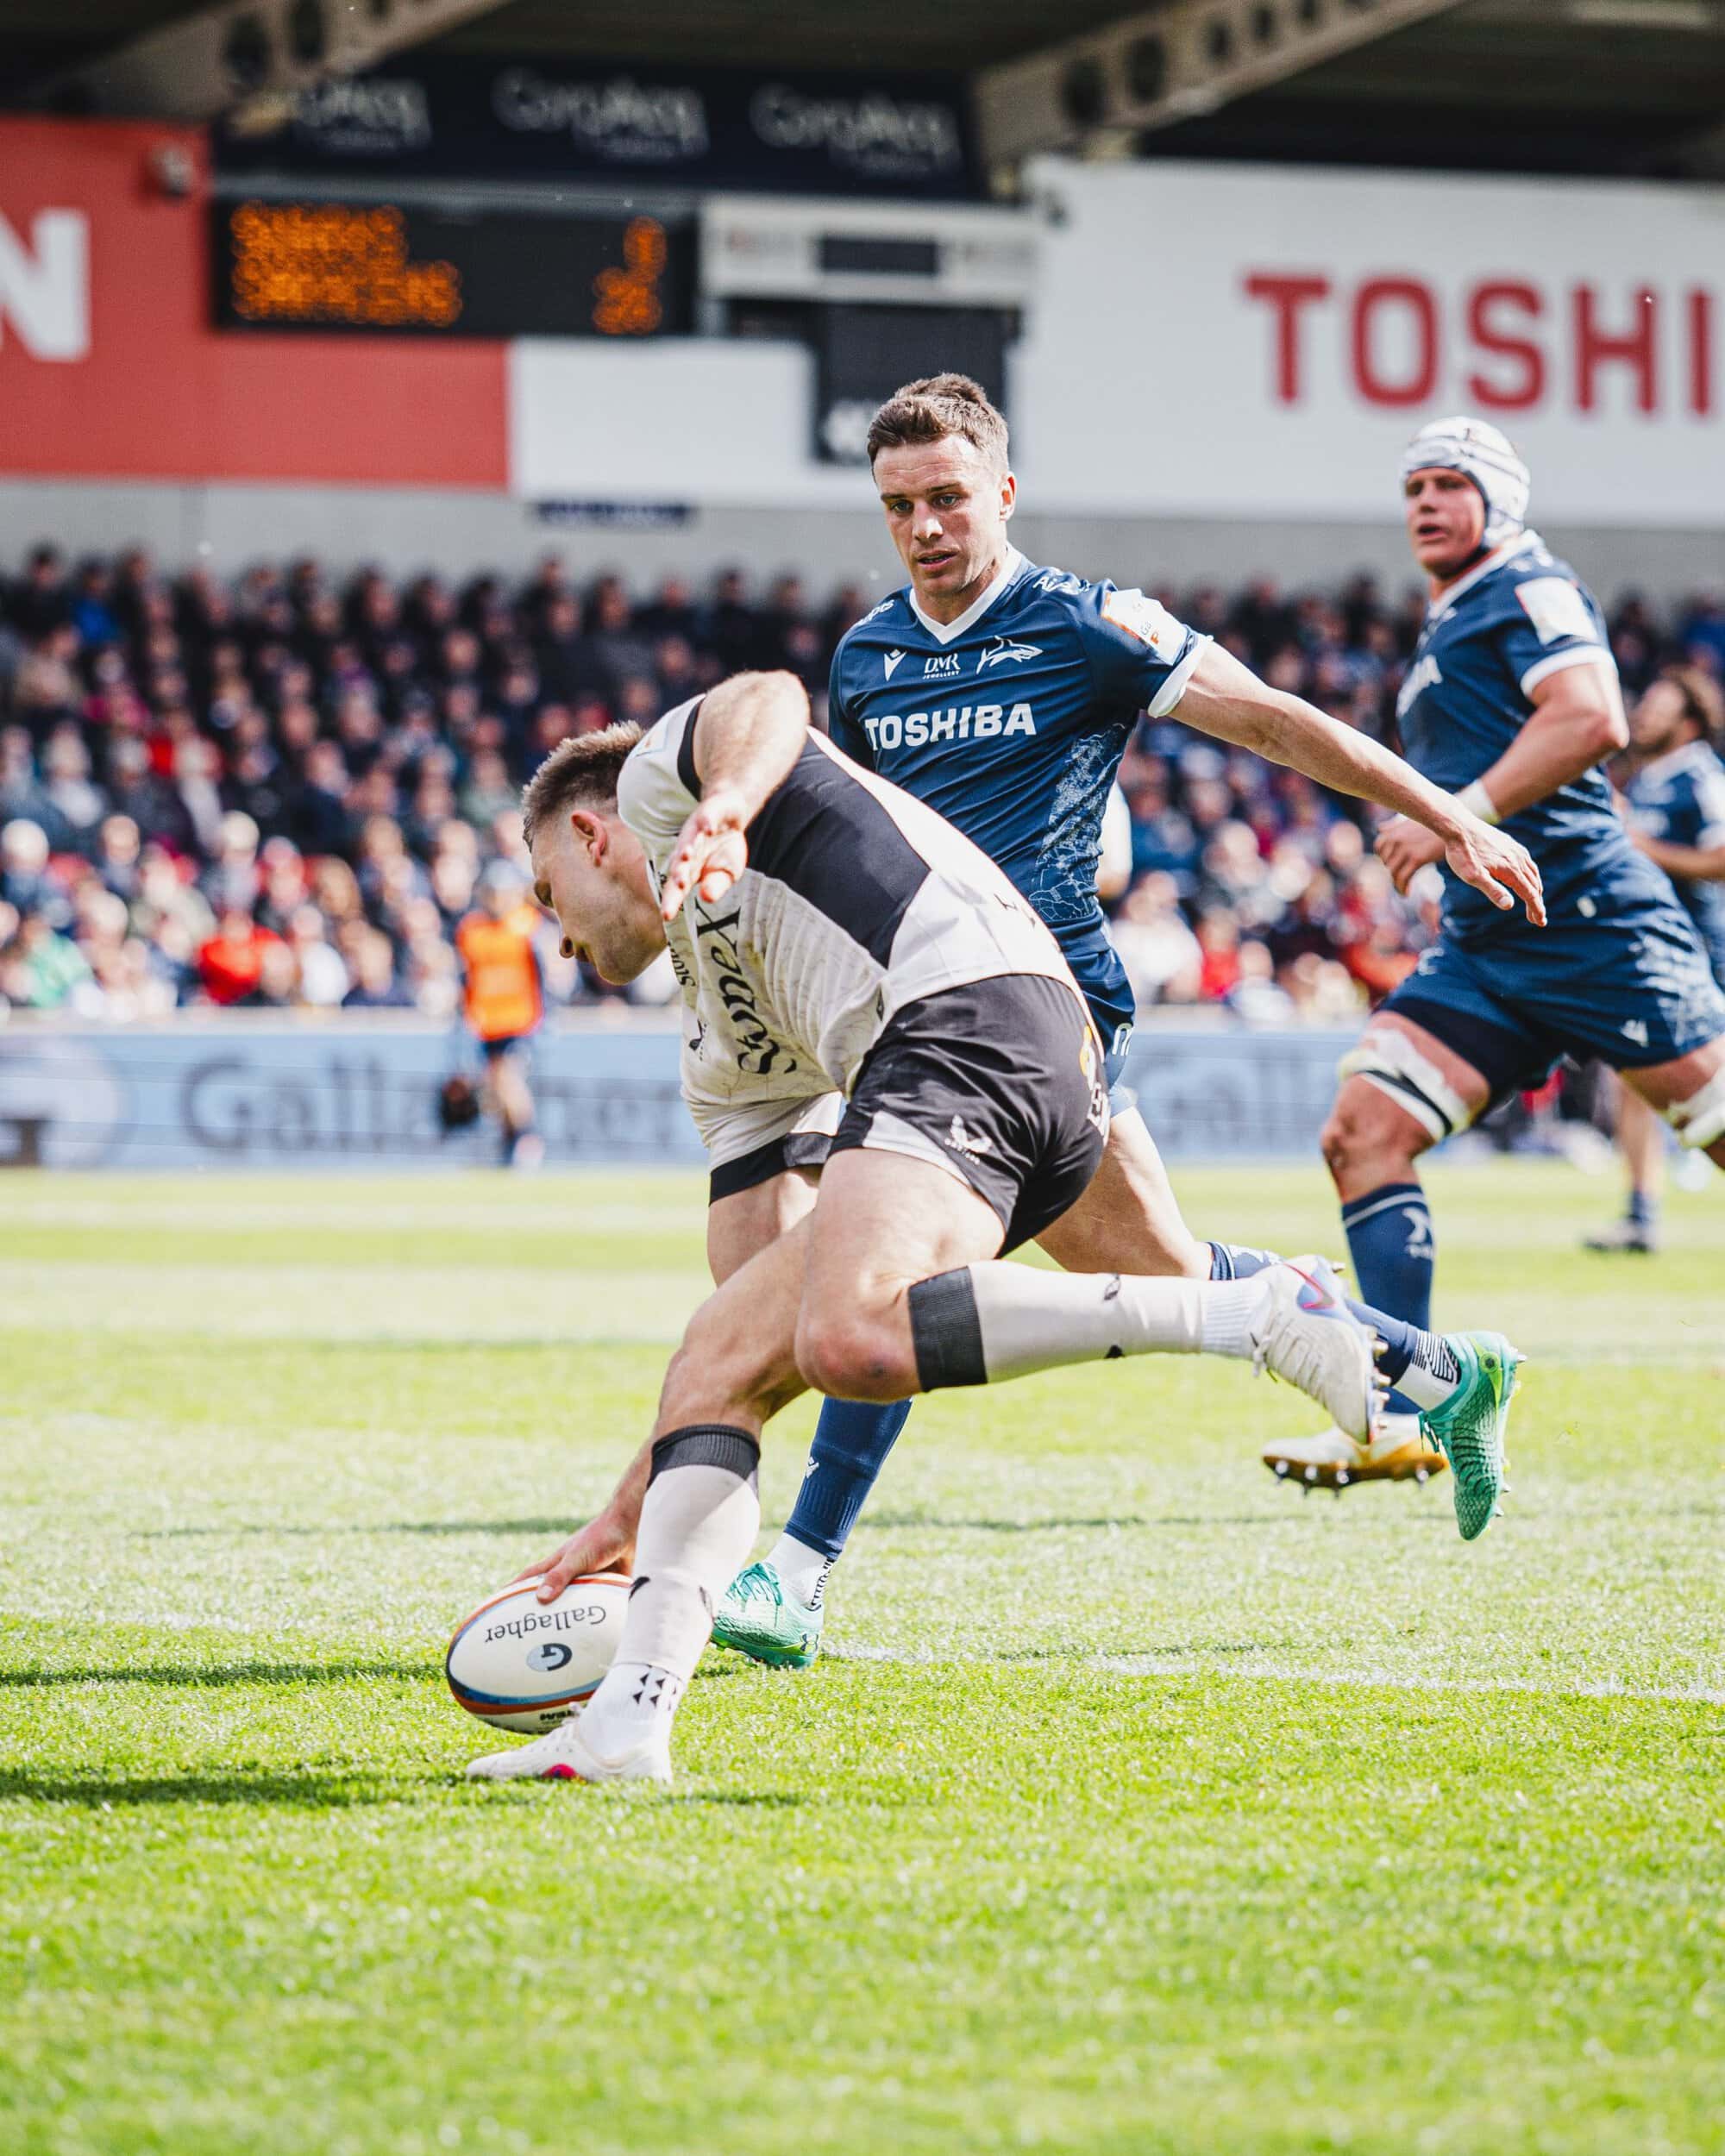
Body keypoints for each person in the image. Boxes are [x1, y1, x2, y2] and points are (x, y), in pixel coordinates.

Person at [703, 375, 1542, 1671]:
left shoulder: (1089, 624)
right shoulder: (865, 660)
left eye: (946, 499)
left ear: (1004, 494)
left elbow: (1272, 720)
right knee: (1168, 1272)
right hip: (913, 1004)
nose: (924, 527)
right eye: (898, 508)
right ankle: (1439, 1370)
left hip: (1030, 1007)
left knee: (879, 1275)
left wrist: (1448, 813)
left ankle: (796, 1571)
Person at [467, 674, 1410, 1786]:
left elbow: (764, 696)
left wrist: (722, 804)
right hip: (973, 1056)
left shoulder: (665, 784)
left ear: (592, 832)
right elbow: (745, 1325)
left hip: (979, 1013)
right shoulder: (720, 1041)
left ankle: (1249, 1312)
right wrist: (628, 1508)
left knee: (851, 1336)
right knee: (732, 1357)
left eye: (546, 892)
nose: (555, 940)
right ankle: (627, 1727)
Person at [1269, 418, 1725, 1501]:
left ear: (1499, 501)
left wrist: (1453, 818)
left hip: (1594, 927)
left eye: (1448, 484)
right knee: (1362, 1131)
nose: (1424, 502)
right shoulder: (1449, 617)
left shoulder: (1527, 582)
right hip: (1487, 947)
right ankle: (1400, 1407)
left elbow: (1589, 716)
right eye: (1413, 486)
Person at [1585, 666, 1725, 1252]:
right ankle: (1641, 1214)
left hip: (1699, 951)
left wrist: (1645, 849)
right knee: (1633, 1079)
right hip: (1647, 951)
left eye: (1659, 707)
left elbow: (1721, 858)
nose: (1642, 714)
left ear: (1689, 721)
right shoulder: (1640, 783)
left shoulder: (1700, 776)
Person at [454, 862, 545, 1167]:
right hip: (486, 1021)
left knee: (508, 1079)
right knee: (494, 1085)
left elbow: (545, 976)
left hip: (518, 1017)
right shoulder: (472, 930)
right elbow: (467, 977)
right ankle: (510, 1142)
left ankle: (527, 1139)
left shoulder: (527, 926)